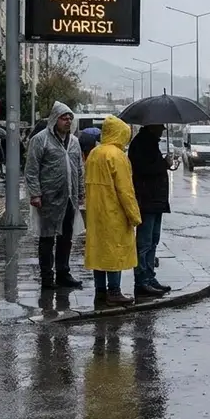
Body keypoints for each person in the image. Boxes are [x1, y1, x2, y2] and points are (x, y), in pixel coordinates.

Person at [25, 102, 85, 289]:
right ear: (54, 119)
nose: (67, 122)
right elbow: (32, 169)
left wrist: (80, 192)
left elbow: (79, 169)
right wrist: (35, 194)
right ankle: (46, 276)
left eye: (70, 118)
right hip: (48, 198)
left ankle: (63, 273)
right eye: (63, 118)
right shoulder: (40, 140)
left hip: (69, 198)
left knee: (66, 237)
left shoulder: (74, 141)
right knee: (47, 238)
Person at [84, 115, 139, 306]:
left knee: (99, 252)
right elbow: (125, 190)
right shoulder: (117, 156)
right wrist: (134, 215)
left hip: (95, 212)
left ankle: (100, 291)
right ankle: (114, 291)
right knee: (114, 252)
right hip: (113, 212)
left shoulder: (94, 153)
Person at [128, 124, 170, 298]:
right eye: (160, 127)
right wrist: (163, 165)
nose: (162, 130)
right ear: (152, 127)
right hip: (147, 201)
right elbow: (142, 170)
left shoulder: (150, 142)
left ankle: (150, 277)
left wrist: (164, 164)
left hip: (156, 201)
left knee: (153, 240)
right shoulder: (141, 144)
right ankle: (142, 281)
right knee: (144, 243)